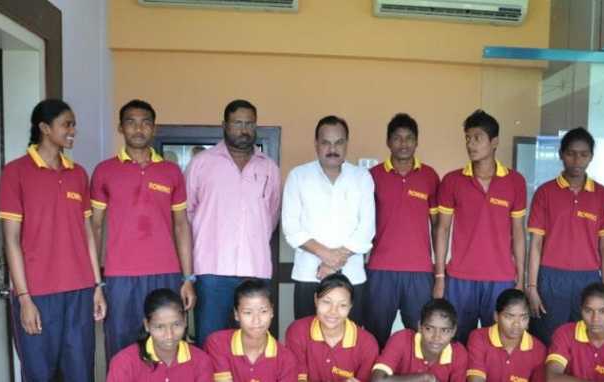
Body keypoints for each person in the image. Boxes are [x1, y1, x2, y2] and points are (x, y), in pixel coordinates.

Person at [0, 99, 106, 381]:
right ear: (45, 128)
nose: (73, 131)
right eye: (66, 124)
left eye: (74, 125)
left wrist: (96, 285)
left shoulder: (78, 173)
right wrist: (24, 299)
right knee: (39, 373)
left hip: (80, 290)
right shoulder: (16, 172)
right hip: (38, 293)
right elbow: (11, 240)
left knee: (81, 371)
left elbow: (87, 234)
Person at [90, 99, 195, 361]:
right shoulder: (105, 171)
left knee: (167, 345)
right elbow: (96, 227)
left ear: (154, 128)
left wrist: (187, 278)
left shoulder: (171, 172)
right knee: (121, 346)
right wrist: (97, 282)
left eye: (145, 122)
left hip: (166, 274)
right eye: (131, 122)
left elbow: (182, 225)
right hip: (120, 276)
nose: (138, 129)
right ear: (120, 128)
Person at [185, 99, 281, 344]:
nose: (244, 129)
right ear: (224, 126)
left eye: (249, 123)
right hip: (212, 270)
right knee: (212, 341)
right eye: (237, 123)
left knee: (252, 342)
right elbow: (187, 214)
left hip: (255, 270)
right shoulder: (201, 163)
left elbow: (270, 215)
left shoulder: (269, 168)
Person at [434, 109, 527, 344]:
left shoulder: (515, 182)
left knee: (497, 342)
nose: (471, 144)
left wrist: (521, 278)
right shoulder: (452, 180)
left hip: (501, 277)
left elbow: (518, 232)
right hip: (460, 278)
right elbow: (442, 229)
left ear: (494, 142)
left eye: (477, 138)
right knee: (457, 342)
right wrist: (440, 275)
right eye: (467, 138)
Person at [282, 115, 375, 324]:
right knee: (306, 339)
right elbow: (291, 227)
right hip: (309, 275)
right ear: (316, 145)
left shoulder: (362, 178)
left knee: (349, 342)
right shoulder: (298, 176)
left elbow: (366, 229)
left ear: (346, 144)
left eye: (339, 142)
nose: (332, 148)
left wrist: (332, 265)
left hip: (352, 276)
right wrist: (326, 255)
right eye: (326, 142)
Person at [526, 127, 604, 345]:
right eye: (571, 153)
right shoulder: (545, 192)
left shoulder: (603, 196)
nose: (577, 160)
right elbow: (535, 244)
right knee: (548, 340)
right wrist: (532, 287)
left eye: (584, 154)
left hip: (588, 279)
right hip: (550, 279)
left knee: (583, 341)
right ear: (561, 154)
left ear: (591, 157)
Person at [365, 113, 440, 348]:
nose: (403, 144)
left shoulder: (430, 176)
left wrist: (438, 271)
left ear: (417, 142)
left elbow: (438, 226)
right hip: (380, 270)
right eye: (397, 138)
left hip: (419, 271)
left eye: (409, 138)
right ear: (388, 142)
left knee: (419, 337)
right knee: (375, 335)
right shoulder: (372, 176)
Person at [285, 273, 379, 382]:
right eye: (326, 302)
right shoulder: (298, 331)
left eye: (342, 305)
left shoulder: (367, 344)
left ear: (350, 306)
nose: (333, 311)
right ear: (316, 300)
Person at [107, 288, 213, 381]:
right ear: (147, 325)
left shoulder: (201, 361)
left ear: (185, 321)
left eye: (176, 324)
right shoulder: (124, 363)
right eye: (160, 327)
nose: (169, 335)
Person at [545, 283, 604, 381]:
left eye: (603, 311)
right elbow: (552, 378)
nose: (595, 318)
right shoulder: (565, 333)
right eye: (588, 310)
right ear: (581, 310)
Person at [204, 279, 297, 381]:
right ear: (236, 314)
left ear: (272, 311)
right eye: (248, 312)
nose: (256, 320)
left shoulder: (286, 358)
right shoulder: (217, 343)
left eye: (263, 311)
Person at [371, 298, 468, 381]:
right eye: (429, 329)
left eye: (444, 330)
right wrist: (425, 378)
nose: (436, 337)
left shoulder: (459, 353)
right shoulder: (401, 339)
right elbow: (377, 380)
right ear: (419, 327)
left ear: (453, 331)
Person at [466, 289, 546, 382]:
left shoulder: (539, 349)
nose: (516, 324)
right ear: (496, 316)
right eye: (509, 317)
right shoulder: (478, 338)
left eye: (523, 317)